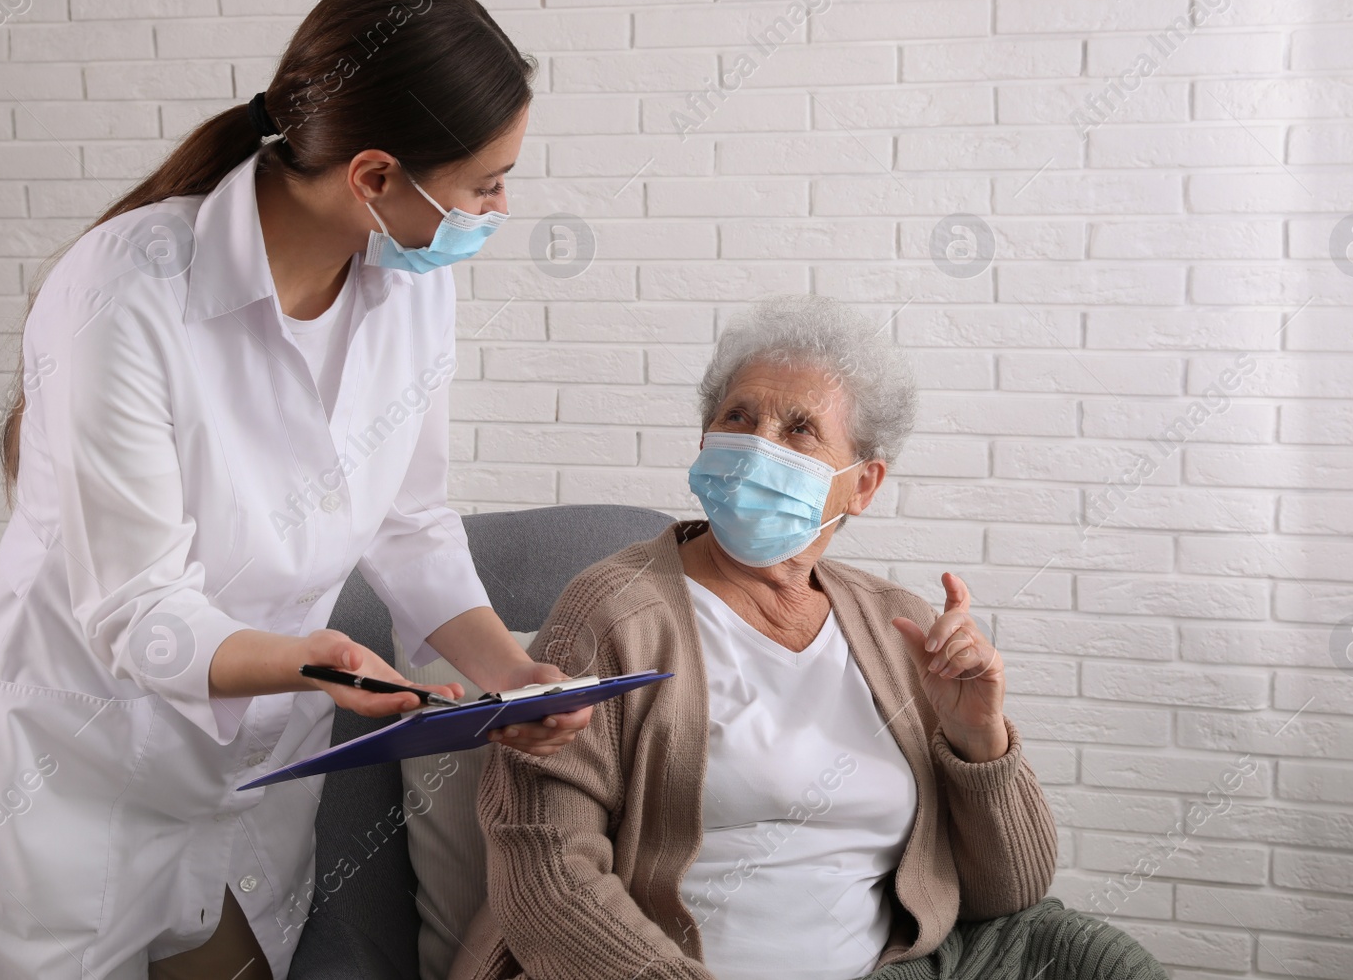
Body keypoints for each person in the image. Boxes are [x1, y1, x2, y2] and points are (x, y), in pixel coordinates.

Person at [0, 0, 588, 980]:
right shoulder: (125, 294)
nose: (502, 206)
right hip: (62, 778)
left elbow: (409, 518)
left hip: (251, 787)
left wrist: (506, 675)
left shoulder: (408, 288)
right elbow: (135, 609)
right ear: (376, 176)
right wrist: (315, 662)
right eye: (485, 182)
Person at [451, 295, 1166, 980]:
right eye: (739, 415)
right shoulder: (612, 613)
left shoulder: (900, 626)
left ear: (862, 484)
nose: (759, 444)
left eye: (798, 428)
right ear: (705, 441)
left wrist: (977, 739)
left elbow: (1007, 890)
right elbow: (546, 869)